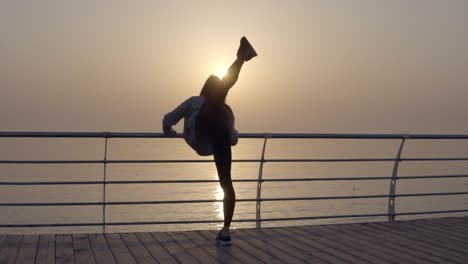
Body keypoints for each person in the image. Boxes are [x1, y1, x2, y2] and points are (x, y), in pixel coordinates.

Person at [162, 37, 257, 245]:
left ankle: (225, 231)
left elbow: (170, 117)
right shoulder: (204, 104)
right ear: (209, 89)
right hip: (211, 136)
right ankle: (241, 57)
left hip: (214, 139)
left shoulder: (216, 107)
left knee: (226, 184)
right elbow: (171, 117)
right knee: (227, 184)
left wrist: (168, 129)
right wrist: (168, 129)